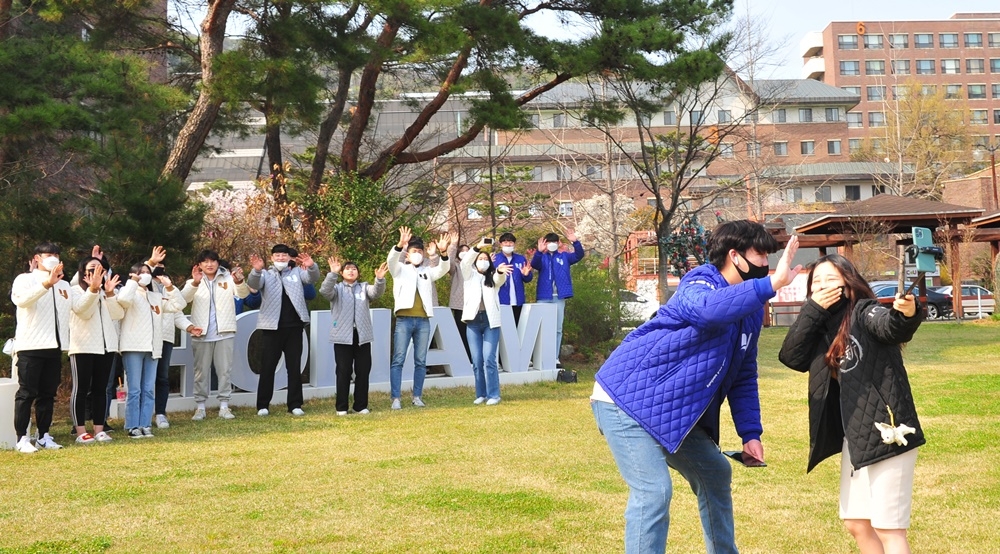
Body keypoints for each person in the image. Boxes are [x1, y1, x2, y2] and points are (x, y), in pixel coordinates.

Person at [592, 221, 800, 553]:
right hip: (625, 401)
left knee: (715, 473)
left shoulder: (748, 312)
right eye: (761, 254)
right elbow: (708, 313)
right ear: (734, 256)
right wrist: (771, 285)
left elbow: (743, 374)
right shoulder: (699, 281)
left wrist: (751, 433)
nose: (767, 264)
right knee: (654, 491)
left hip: (667, 410)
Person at [778, 254, 924, 554]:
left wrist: (907, 313)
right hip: (854, 435)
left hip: (889, 430)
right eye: (816, 282)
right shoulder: (819, 324)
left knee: (889, 527)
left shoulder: (863, 310)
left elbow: (889, 326)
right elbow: (791, 356)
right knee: (857, 523)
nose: (823, 286)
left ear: (848, 282)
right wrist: (814, 310)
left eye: (831, 279)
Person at [117, 247, 187, 439]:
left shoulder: (156, 296)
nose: (146, 276)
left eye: (148, 273)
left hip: (153, 347)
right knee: (135, 389)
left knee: (148, 388)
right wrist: (133, 281)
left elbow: (178, 305)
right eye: (142, 273)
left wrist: (171, 287)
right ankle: (132, 425)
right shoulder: (128, 292)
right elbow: (122, 301)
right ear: (134, 276)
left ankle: (145, 423)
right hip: (133, 347)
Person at [10, 243, 72, 453]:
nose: (53, 258)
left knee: (47, 394)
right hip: (31, 345)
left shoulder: (63, 285)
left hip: (54, 346)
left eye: (56, 254)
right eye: (48, 254)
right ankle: (22, 438)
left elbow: (77, 309)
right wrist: (46, 284)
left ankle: (43, 435)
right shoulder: (25, 279)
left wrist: (92, 290)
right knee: (27, 393)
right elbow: (22, 301)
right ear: (37, 258)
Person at [247, 245, 320, 416]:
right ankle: (263, 405)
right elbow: (253, 284)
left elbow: (312, 278)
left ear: (289, 257)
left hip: (294, 327)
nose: (280, 258)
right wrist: (256, 270)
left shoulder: (296, 273)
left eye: (284, 255)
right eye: (277, 255)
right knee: (267, 367)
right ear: (272, 258)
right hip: (271, 328)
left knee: (294, 368)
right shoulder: (266, 274)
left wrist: (311, 266)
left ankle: (295, 405)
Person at [387, 227, 453, 410]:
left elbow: (443, 268)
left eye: (420, 252)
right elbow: (391, 260)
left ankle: (417, 396)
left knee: (420, 361)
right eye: (414, 251)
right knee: (398, 359)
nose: (417, 254)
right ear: (407, 255)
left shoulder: (426, 271)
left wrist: (443, 252)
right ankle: (396, 398)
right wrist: (400, 244)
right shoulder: (399, 269)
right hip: (404, 320)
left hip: (423, 320)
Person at [182, 250, 249, 421]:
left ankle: (224, 406)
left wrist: (239, 281)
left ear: (218, 263)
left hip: (224, 332)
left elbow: (243, 294)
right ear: (199, 265)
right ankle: (200, 407)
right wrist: (194, 283)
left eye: (213, 261)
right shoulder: (194, 281)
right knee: (201, 372)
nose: (209, 264)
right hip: (200, 332)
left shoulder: (228, 278)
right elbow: (182, 300)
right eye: (205, 262)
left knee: (224, 371)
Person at [319, 258, 388, 415]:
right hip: (343, 336)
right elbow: (324, 291)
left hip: (362, 335)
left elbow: (376, 292)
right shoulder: (336, 289)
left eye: (354, 269)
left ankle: (360, 406)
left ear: (358, 273)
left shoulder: (364, 288)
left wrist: (379, 279)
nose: (351, 271)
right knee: (343, 371)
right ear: (342, 273)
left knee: (363, 371)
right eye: (347, 269)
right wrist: (332, 274)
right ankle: (341, 407)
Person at [69, 257, 123, 444]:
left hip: (106, 347)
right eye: (92, 269)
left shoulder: (106, 292)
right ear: (83, 275)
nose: (97, 272)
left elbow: (118, 315)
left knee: (101, 389)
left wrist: (109, 294)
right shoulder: (75, 290)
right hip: (82, 346)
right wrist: (92, 290)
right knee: (81, 389)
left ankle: (100, 429)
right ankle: (80, 431)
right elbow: (82, 311)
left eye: (101, 269)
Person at [461, 240, 510, 405]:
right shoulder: (469, 275)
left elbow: (499, 279)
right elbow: (465, 262)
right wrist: (478, 247)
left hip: (490, 322)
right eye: (480, 258)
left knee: (489, 358)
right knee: (477, 360)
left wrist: (500, 271)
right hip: (473, 322)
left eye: (485, 258)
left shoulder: (492, 277)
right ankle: (480, 393)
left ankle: (494, 395)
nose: (483, 260)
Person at [531, 230, 584, 366]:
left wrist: (575, 241)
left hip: (559, 298)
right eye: (549, 242)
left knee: (557, 329)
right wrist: (539, 251)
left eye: (554, 242)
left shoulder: (564, 256)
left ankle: (554, 358)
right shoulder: (542, 257)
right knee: (541, 328)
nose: (552, 244)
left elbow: (579, 255)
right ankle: (539, 356)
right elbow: (534, 264)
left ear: (559, 243)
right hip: (544, 297)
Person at [494, 232, 533, 326]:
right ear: (500, 244)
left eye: (510, 242)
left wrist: (526, 274)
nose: (508, 244)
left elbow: (528, 279)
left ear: (514, 244)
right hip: (501, 300)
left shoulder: (520, 259)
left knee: (518, 327)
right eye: (505, 242)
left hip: (518, 300)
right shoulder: (495, 259)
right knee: (504, 329)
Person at [447, 243, 472, 360]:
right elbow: (448, 264)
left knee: (473, 333)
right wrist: (452, 246)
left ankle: (473, 358)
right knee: (461, 332)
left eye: (467, 250)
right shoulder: (456, 266)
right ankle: (463, 358)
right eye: (462, 250)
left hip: (474, 305)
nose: (465, 252)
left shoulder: (475, 266)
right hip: (459, 305)